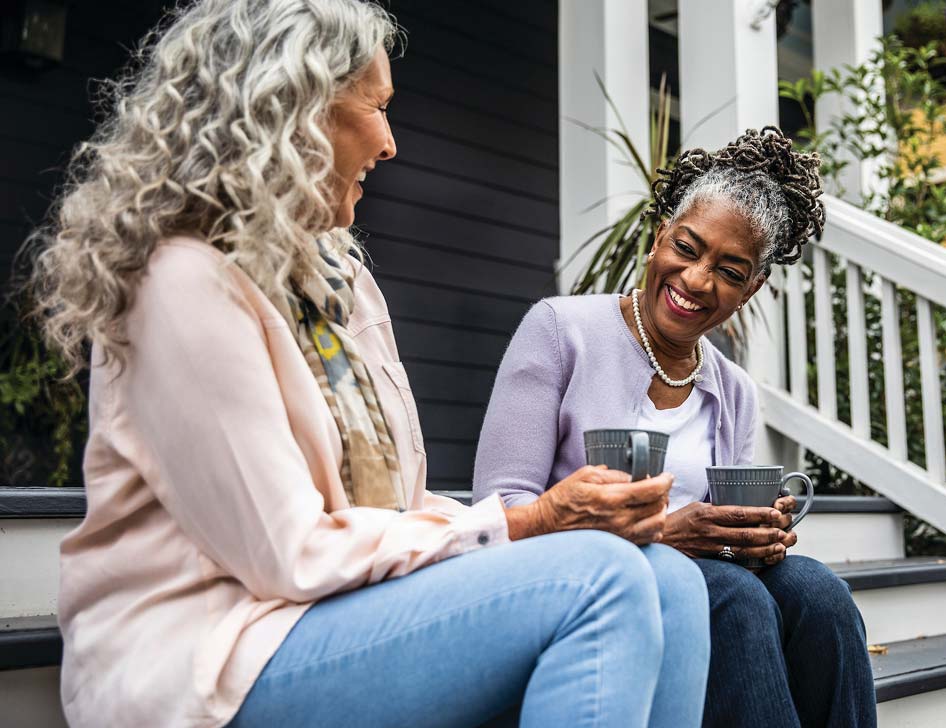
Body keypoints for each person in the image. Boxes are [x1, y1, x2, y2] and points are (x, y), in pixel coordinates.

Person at [27, 2, 710, 726]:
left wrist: (545, 522)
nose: (388, 143)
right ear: (288, 112)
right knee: (599, 580)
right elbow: (287, 555)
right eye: (376, 107)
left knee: (669, 579)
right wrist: (525, 523)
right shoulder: (183, 280)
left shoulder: (338, 278)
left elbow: (393, 511)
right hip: (209, 657)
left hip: (339, 615)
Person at [473, 128, 878, 728]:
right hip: (578, 578)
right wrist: (663, 535)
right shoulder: (562, 330)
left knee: (821, 594)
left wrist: (754, 532)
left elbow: (718, 538)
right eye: (688, 249)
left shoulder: (733, 389)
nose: (696, 280)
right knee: (732, 598)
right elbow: (500, 508)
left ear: (753, 287)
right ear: (661, 233)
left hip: (699, 576)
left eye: (730, 271)